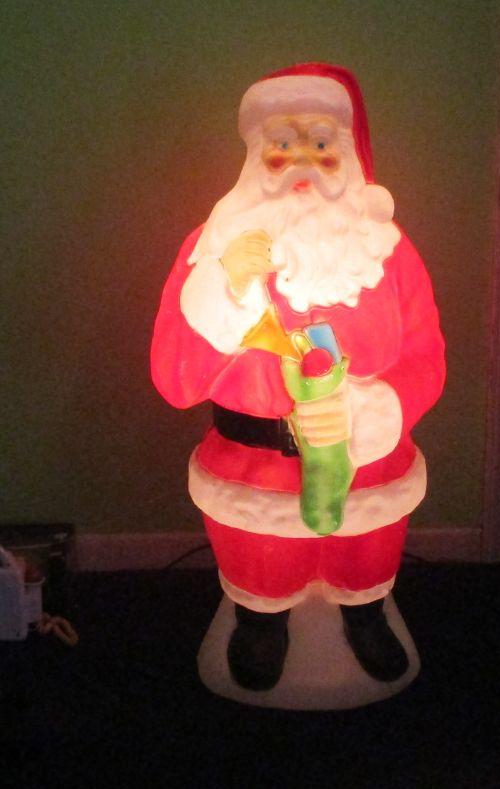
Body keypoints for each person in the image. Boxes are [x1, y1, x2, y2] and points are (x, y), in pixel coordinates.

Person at [151, 63, 445, 691]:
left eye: (319, 143)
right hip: (252, 471)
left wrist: (373, 411)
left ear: (347, 154)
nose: (301, 163)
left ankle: (365, 613)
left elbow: (426, 358)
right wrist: (226, 288)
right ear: (256, 153)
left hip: (368, 472)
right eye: (282, 144)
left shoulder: (387, 251)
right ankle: (261, 621)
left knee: (364, 561)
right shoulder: (211, 248)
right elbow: (175, 379)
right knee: (263, 570)